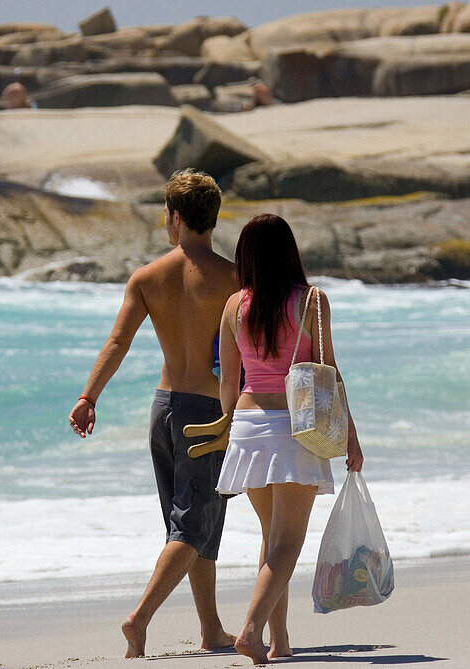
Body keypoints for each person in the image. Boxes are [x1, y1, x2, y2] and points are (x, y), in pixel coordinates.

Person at [68, 169, 239, 658]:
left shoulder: (148, 277)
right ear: (211, 217)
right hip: (209, 413)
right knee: (193, 525)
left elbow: (118, 341)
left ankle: (210, 630)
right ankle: (139, 619)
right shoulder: (234, 278)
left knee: (190, 525)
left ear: (175, 217)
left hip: (163, 410)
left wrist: (88, 396)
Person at [215, 214, 363, 665]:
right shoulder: (312, 301)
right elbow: (330, 374)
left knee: (271, 536)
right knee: (288, 541)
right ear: (290, 252)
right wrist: (351, 436)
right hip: (294, 429)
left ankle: (278, 643)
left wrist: (230, 426)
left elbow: (227, 385)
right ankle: (251, 628)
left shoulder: (233, 306)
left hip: (246, 425)